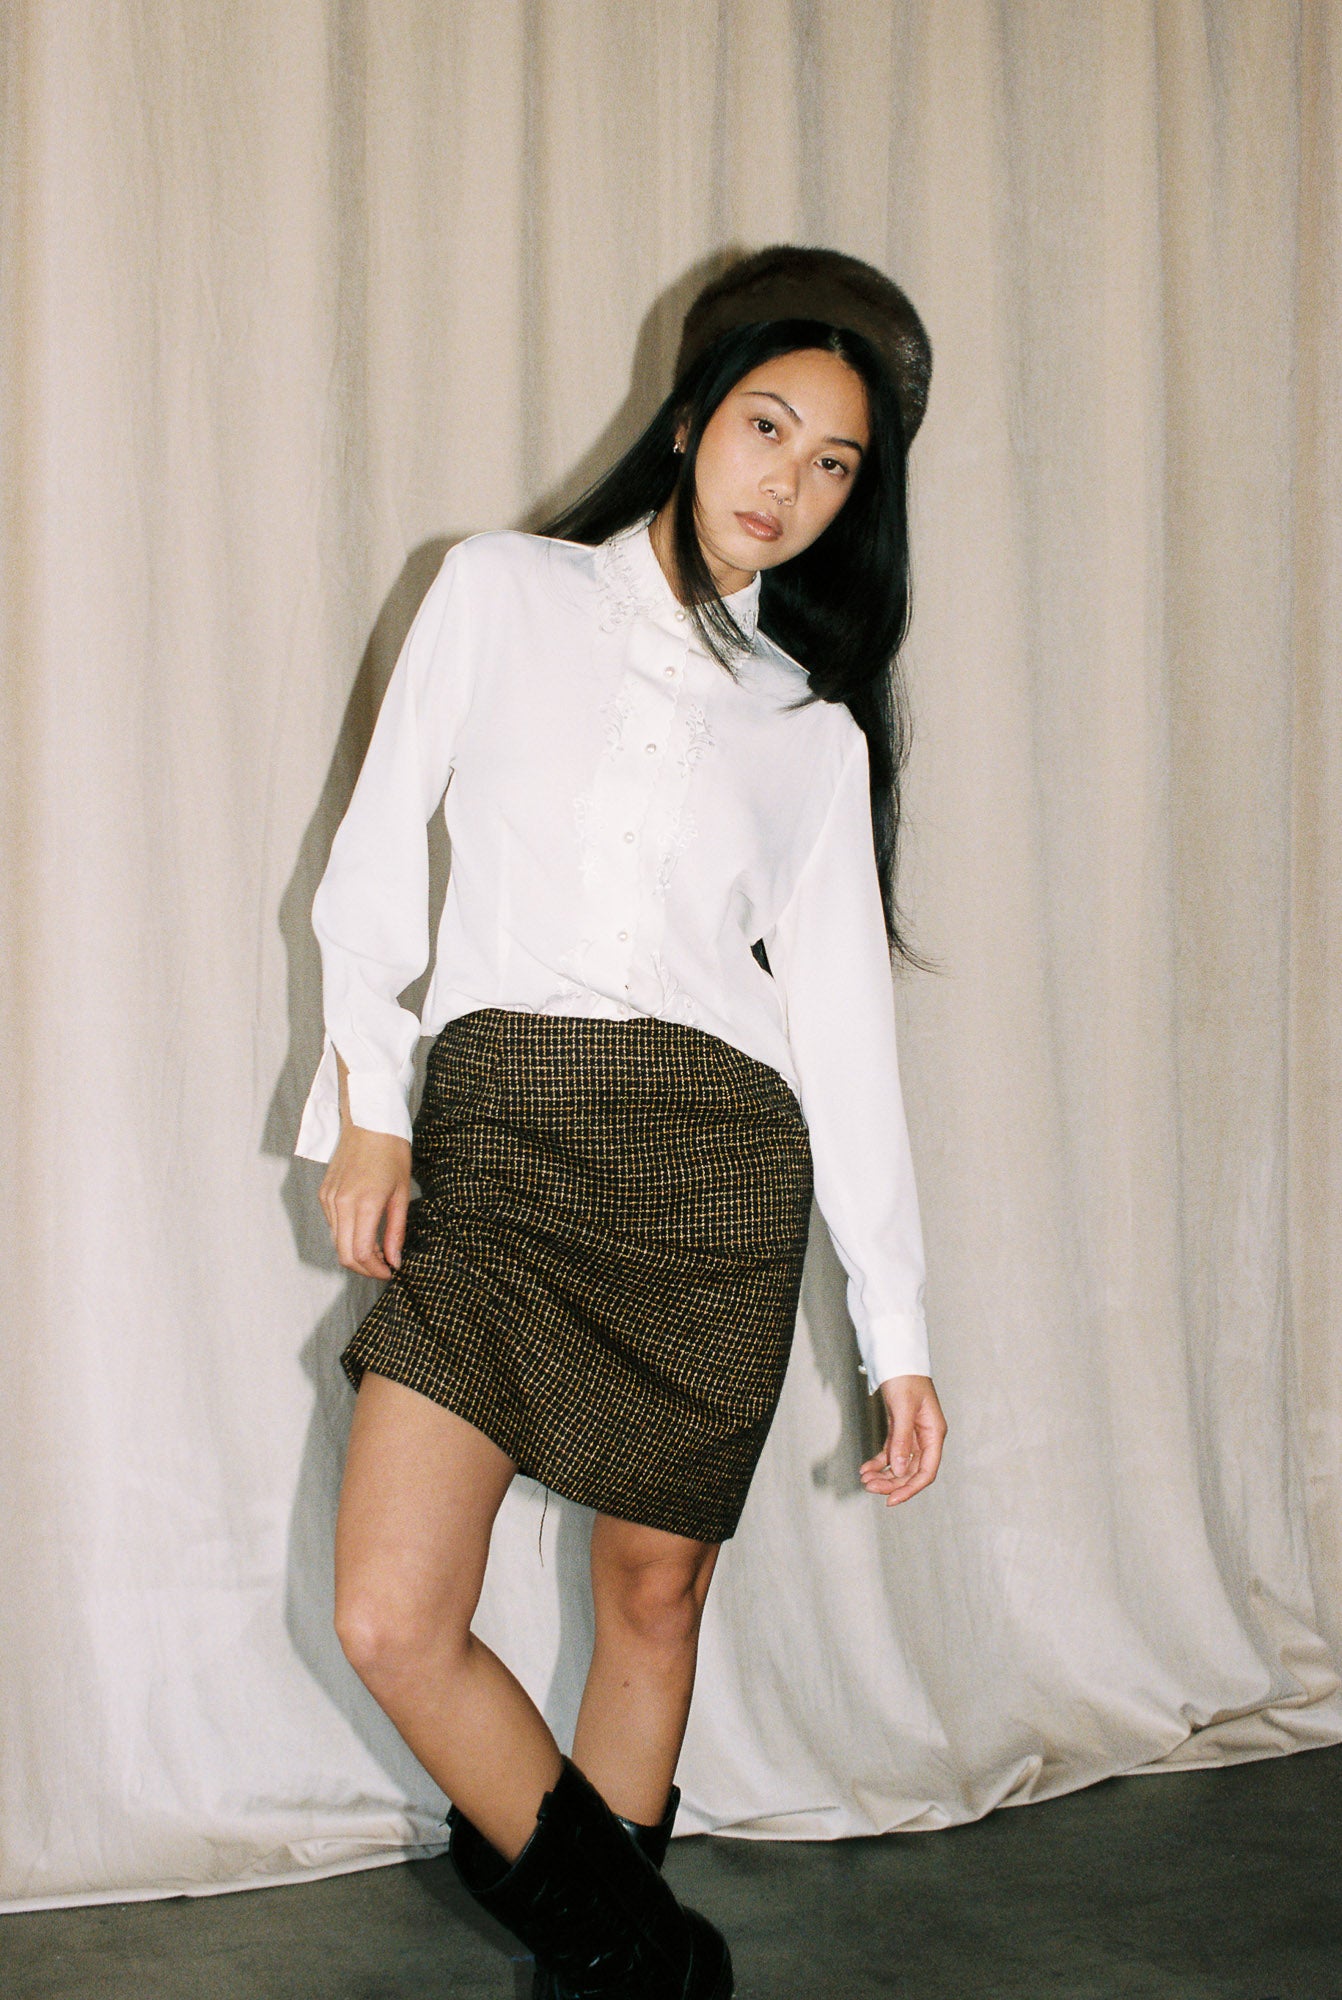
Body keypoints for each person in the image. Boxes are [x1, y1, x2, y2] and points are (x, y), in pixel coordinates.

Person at [294, 245, 948, 2000]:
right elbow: (373, 866)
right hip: (504, 1148)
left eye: (833, 468)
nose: (788, 488)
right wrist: (372, 1107)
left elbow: (843, 1037)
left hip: (717, 1174)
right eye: (765, 428)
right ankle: (655, 1961)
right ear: (683, 422)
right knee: (393, 1615)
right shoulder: (494, 593)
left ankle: (608, 1980)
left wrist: (895, 1330)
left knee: (652, 1601)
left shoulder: (805, 735)